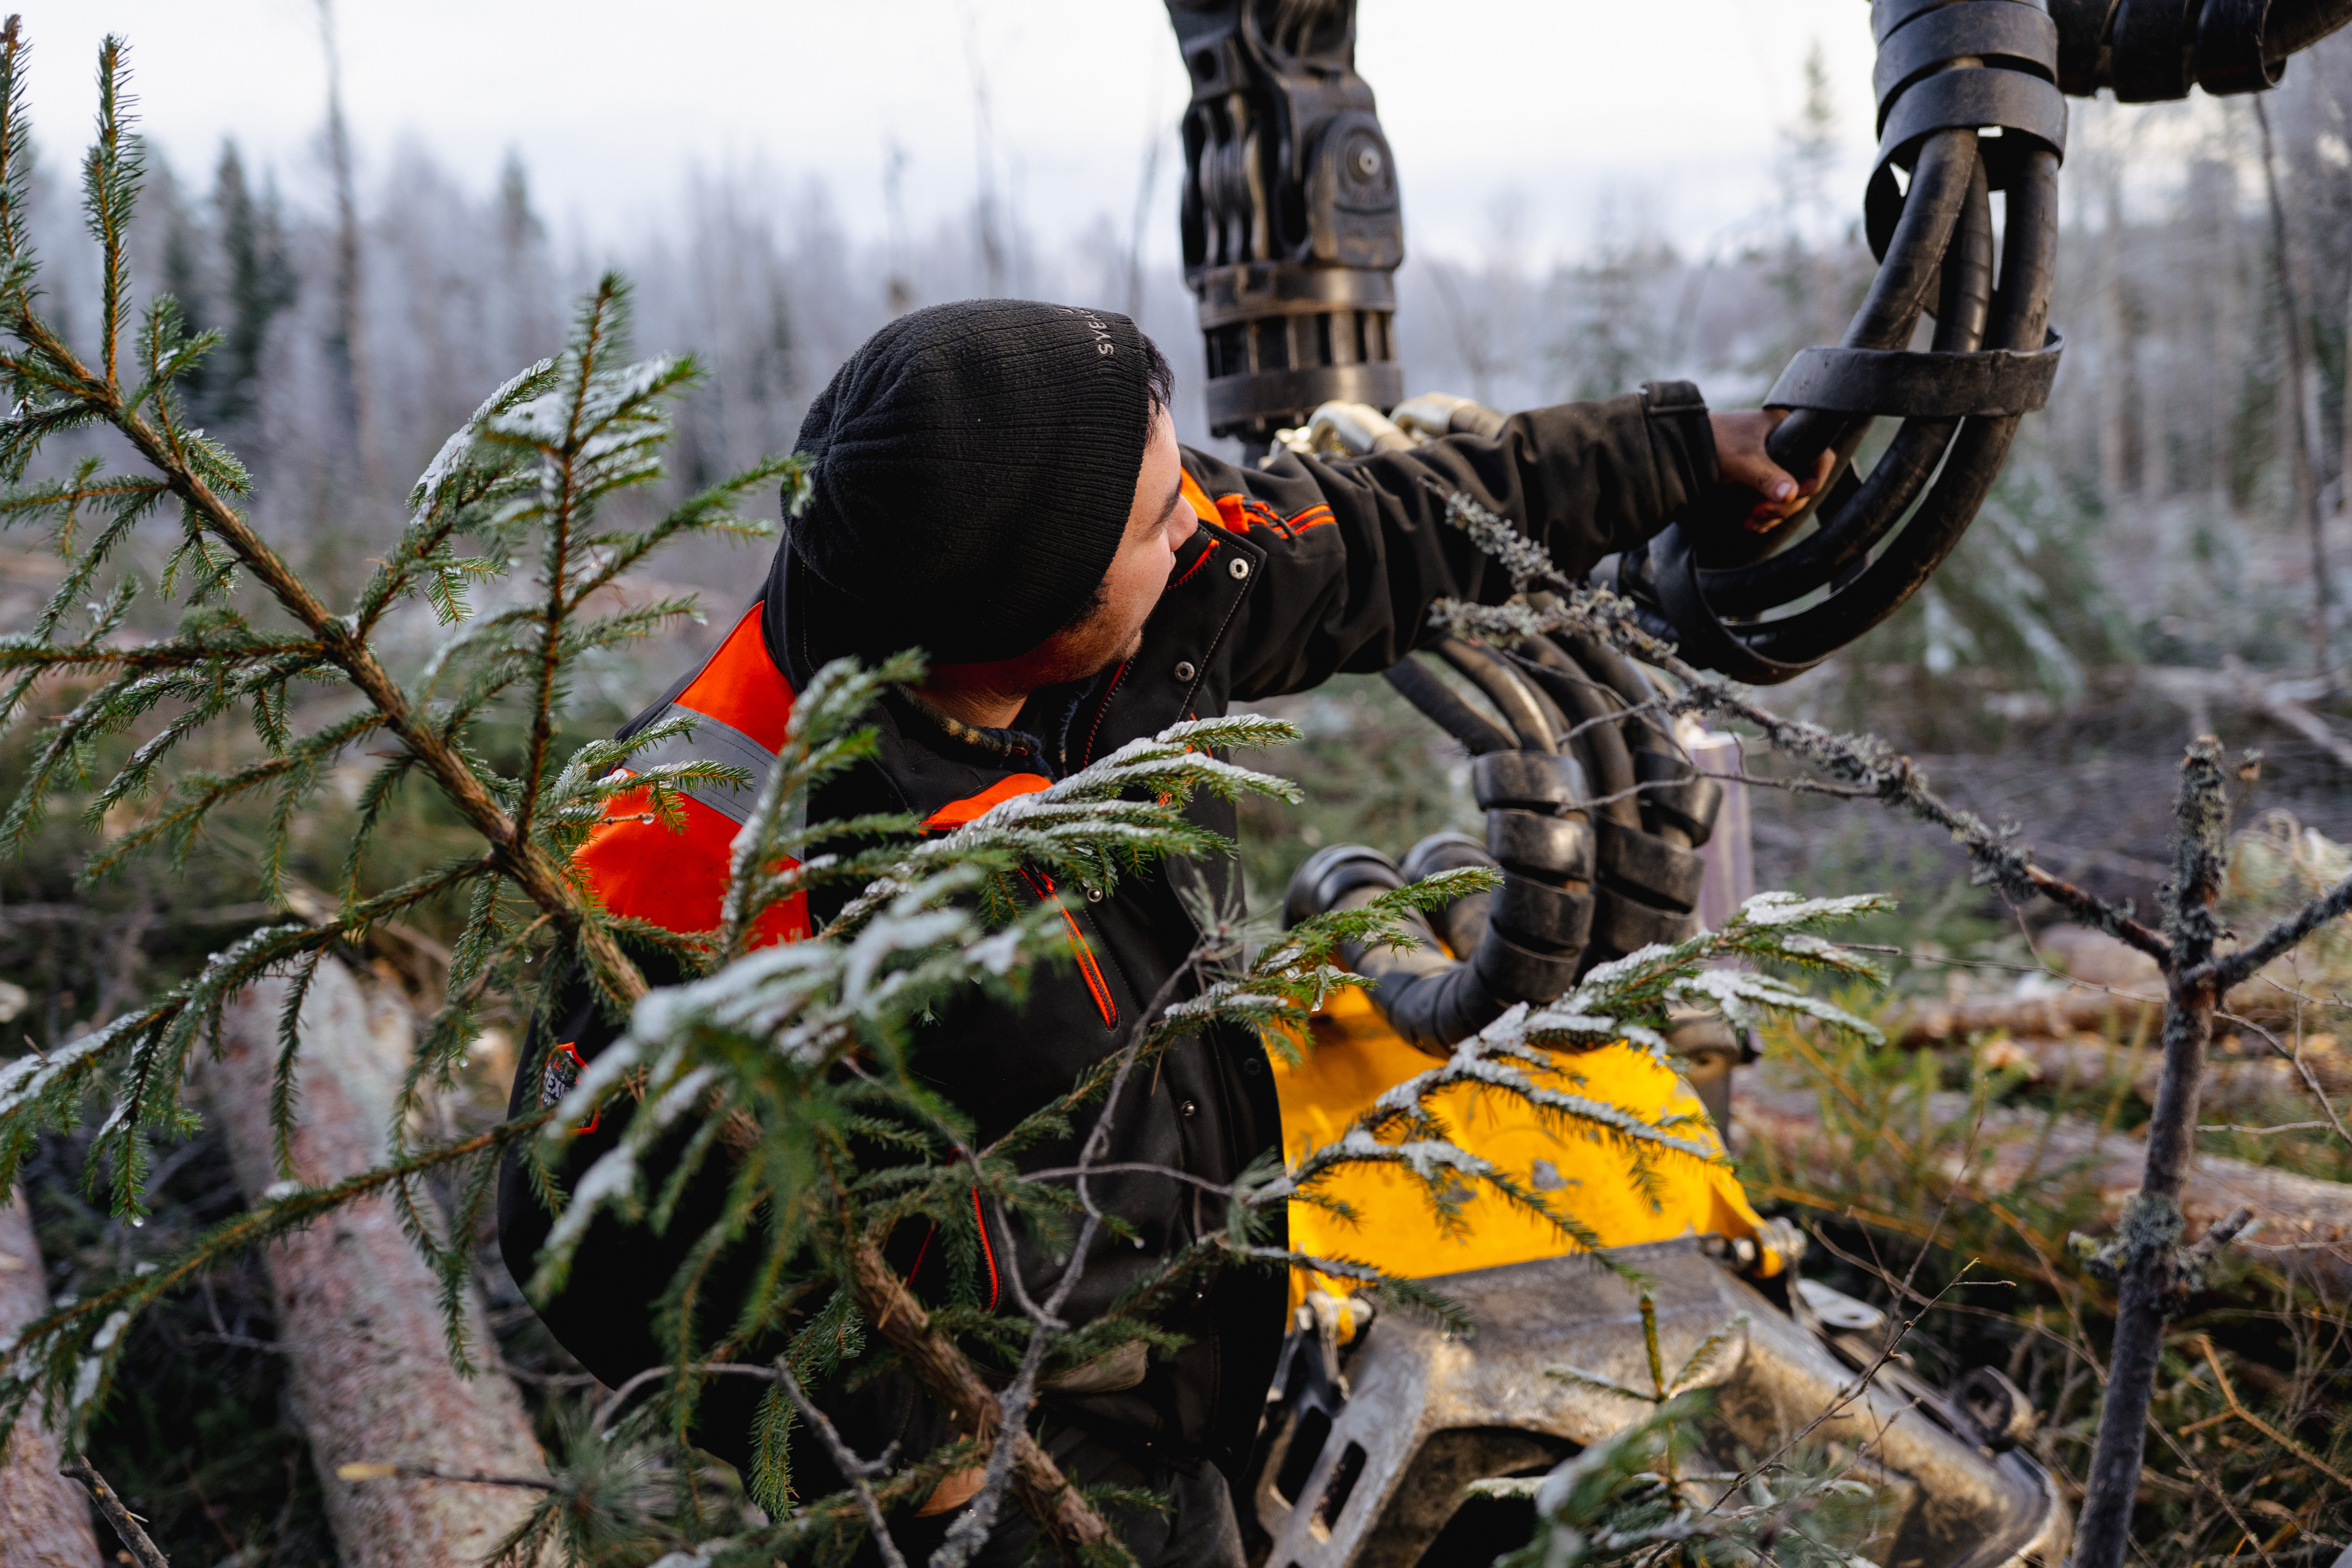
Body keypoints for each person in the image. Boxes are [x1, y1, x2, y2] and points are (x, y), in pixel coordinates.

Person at [497, 298, 1825, 1566]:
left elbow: (1377, 529)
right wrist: (927, 1444)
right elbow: (581, 1233)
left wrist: (1679, 451)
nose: (1197, 518)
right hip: (1022, 1463)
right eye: (1152, 515)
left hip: (1197, 1346)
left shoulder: (1109, 556)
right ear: (1025, 622)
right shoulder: (708, 849)